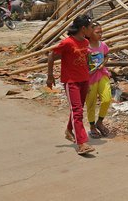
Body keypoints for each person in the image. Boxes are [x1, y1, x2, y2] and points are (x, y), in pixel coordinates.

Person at [47, 14, 95, 155]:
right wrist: (50, 76)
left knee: (77, 109)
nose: (92, 30)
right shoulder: (68, 43)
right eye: (91, 28)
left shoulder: (86, 42)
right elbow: (51, 56)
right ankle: (82, 143)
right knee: (77, 111)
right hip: (71, 81)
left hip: (84, 79)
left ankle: (69, 130)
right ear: (83, 28)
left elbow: (86, 62)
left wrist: (89, 79)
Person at [85, 22, 112, 138]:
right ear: (90, 33)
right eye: (97, 32)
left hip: (102, 74)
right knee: (90, 103)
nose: (100, 34)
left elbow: (106, 56)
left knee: (106, 99)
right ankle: (92, 126)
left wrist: (103, 64)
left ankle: (100, 122)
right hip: (89, 78)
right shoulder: (85, 47)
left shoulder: (103, 45)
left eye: (101, 32)